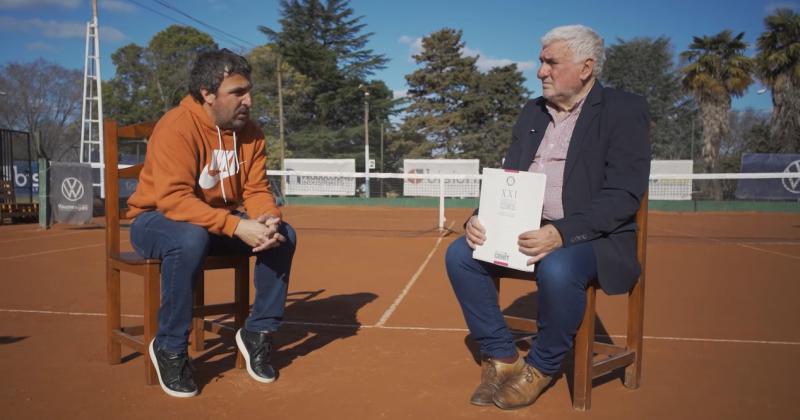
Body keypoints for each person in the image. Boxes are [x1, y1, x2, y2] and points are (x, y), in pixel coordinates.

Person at [445, 25, 650, 410]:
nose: (540, 71)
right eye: (541, 62)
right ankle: (504, 359)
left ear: (586, 67)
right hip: (530, 227)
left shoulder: (624, 110)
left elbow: (624, 194)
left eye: (551, 62)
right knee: (460, 254)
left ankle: (540, 366)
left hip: (597, 238)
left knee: (557, 267)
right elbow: (512, 175)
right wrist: (480, 217)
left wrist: (561, 232)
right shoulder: (531, 112)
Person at [127, 48, 296, 398]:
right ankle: (171, 347)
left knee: (284, 235)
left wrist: (267, 218)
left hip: (213, 224)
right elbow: (173, 200)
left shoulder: (252, 133)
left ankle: (258, 333)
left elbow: (257, 190)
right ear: (207, 93)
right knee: (189, 239)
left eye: (248, 91)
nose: (248, 100)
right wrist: (237, 226)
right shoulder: (177, 126)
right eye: (237, 93)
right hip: (156, 220)